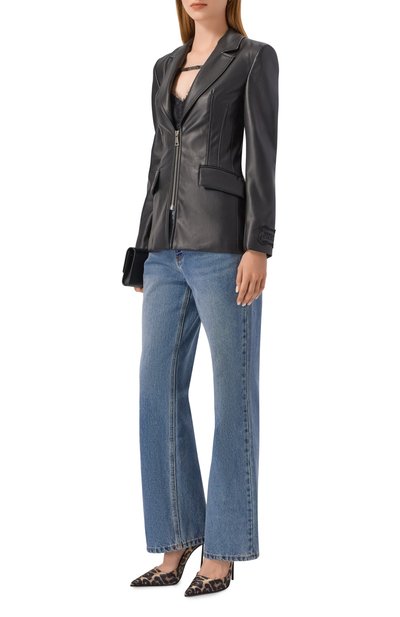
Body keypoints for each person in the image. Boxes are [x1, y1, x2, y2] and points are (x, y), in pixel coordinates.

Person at [129, 0, 279, 596]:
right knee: (156, 391)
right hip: (163, 251)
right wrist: (141, 249)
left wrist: (258, 245)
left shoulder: (253, 58)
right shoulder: (165, 66)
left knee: (232, 395)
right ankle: (177, 538)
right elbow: (158, 164)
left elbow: (262, 157)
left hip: (223, 248)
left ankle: (224, 550)